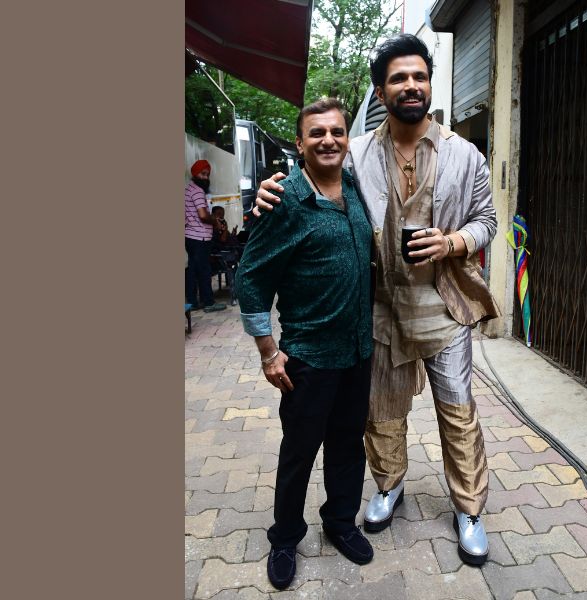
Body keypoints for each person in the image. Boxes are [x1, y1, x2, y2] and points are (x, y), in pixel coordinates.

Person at [254, 34, 500, 566]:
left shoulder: (465, 155)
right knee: (382, 413)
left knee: (458, 412)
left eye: (419, 76)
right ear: (382, 90)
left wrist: (454, 242)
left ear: (430, 84)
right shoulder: (357, 152)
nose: (410, 86)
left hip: (443, 306)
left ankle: (469, 510)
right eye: (398, 78)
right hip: (380, 308)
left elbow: (488, 219)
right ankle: (389, 485)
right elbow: (314, 179)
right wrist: (270, 193)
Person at [236, 98, 375, 590]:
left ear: (347, 140)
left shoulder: (354, 188)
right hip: (309, 358)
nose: (328, 140)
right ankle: (285, 537)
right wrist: (268, 352)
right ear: (300, 143)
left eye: (336, 131)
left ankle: (339, 522)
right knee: (299, 451)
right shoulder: (284, 200)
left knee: (348, 446)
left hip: (358, 351)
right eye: (317, 133)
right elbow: (250, 278)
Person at [185, 159, 227, 312]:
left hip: (191, 237)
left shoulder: (188, 189)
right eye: (203, 174)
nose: (206, 177)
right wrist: (215, 221)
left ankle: (192, 302)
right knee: (204, 271)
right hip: (200, 238)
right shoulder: (197, 191)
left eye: (208, 174)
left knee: (193, 270)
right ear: (195, 174)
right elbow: (203, 215)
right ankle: (208, 303)